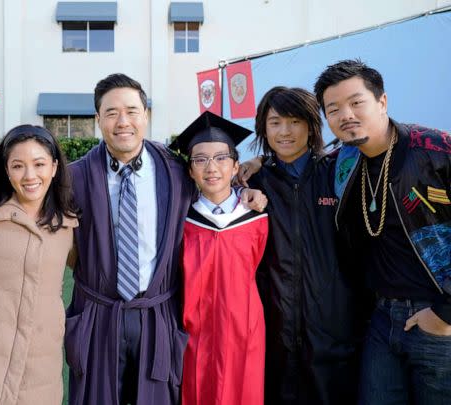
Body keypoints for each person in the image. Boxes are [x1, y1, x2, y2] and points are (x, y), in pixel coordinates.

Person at [65, 73, 267, 405]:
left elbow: (214, 187)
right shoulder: (74, 177)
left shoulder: (174, 171)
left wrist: (248, 190)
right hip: (98, 314)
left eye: (132, 110)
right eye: (112, 112)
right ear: (98, 119)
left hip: (157, 314)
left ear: (145, 115)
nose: (123, 121)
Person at [314, 59, 451, 404]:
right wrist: (251, 167)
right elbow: (299, 167)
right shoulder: (344, 162)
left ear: (382, 102)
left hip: (437, 317)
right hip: (380, 317)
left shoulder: (435, 150)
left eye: (356, 102)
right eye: (333, 109)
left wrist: (445, 314)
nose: (346, 114)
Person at [249, 87, 365, 404]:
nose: (285, 131)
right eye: (275, 123)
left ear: (312, 125)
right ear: (263, 128)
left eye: (295, 121)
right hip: (274, 331)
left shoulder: (338, 175)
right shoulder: (253, 185)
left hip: (334, 329)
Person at [0, 125, 78, 404]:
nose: (30, 176)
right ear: (6, 170)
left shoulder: (68, 225)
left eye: (39, 164)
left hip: (42, 360)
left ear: (55, 167)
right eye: (18, 166)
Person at [171, 111, 269, 405]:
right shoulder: (180, 220)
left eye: (221, 158)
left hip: (245, 329)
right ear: (190, 170)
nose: (211, 167)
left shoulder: (257, 217)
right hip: (193, 332)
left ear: (236, 165)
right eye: (200, 159)